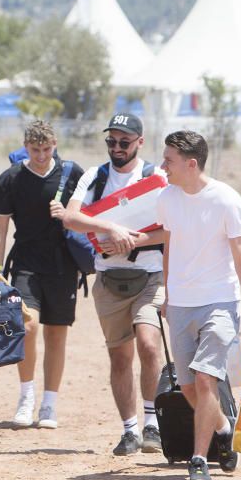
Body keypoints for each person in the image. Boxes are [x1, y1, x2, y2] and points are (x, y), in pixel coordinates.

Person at [156, 130, 241, 480]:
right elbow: (169, 246)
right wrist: (167, 293)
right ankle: (223, 427)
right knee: (188, 388)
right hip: (180, 304)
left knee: (206, 379)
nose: (162, 166)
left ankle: (200, 460)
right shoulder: (167, 197)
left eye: (168, 160)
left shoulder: (226, 200)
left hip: (219, 301)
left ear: (191, 164)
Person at [62, 113, 165, 455]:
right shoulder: (96, 176)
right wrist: (111, 229)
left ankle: (152, 423)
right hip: (109, 279)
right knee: (120, 358)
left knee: (149, 345)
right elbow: (70, 217)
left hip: (150, 274)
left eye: (124, 141)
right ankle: (130, 430)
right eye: (111, 141)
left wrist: (134, 241)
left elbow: (173, 226)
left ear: (140, 142)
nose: (117, 148)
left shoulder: (156, 177)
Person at [0, 120, 83, 429]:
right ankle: (26, 395)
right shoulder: (10, 179)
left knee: (56, 334)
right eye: (35, 150)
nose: (41, 156)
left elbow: (90, 215)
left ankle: (49, 404)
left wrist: (69, 216)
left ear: (55, 144)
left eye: (46, 149)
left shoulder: (73, 174)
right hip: (26, 263)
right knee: (27, 325)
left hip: (63, 265)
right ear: (25, 147)